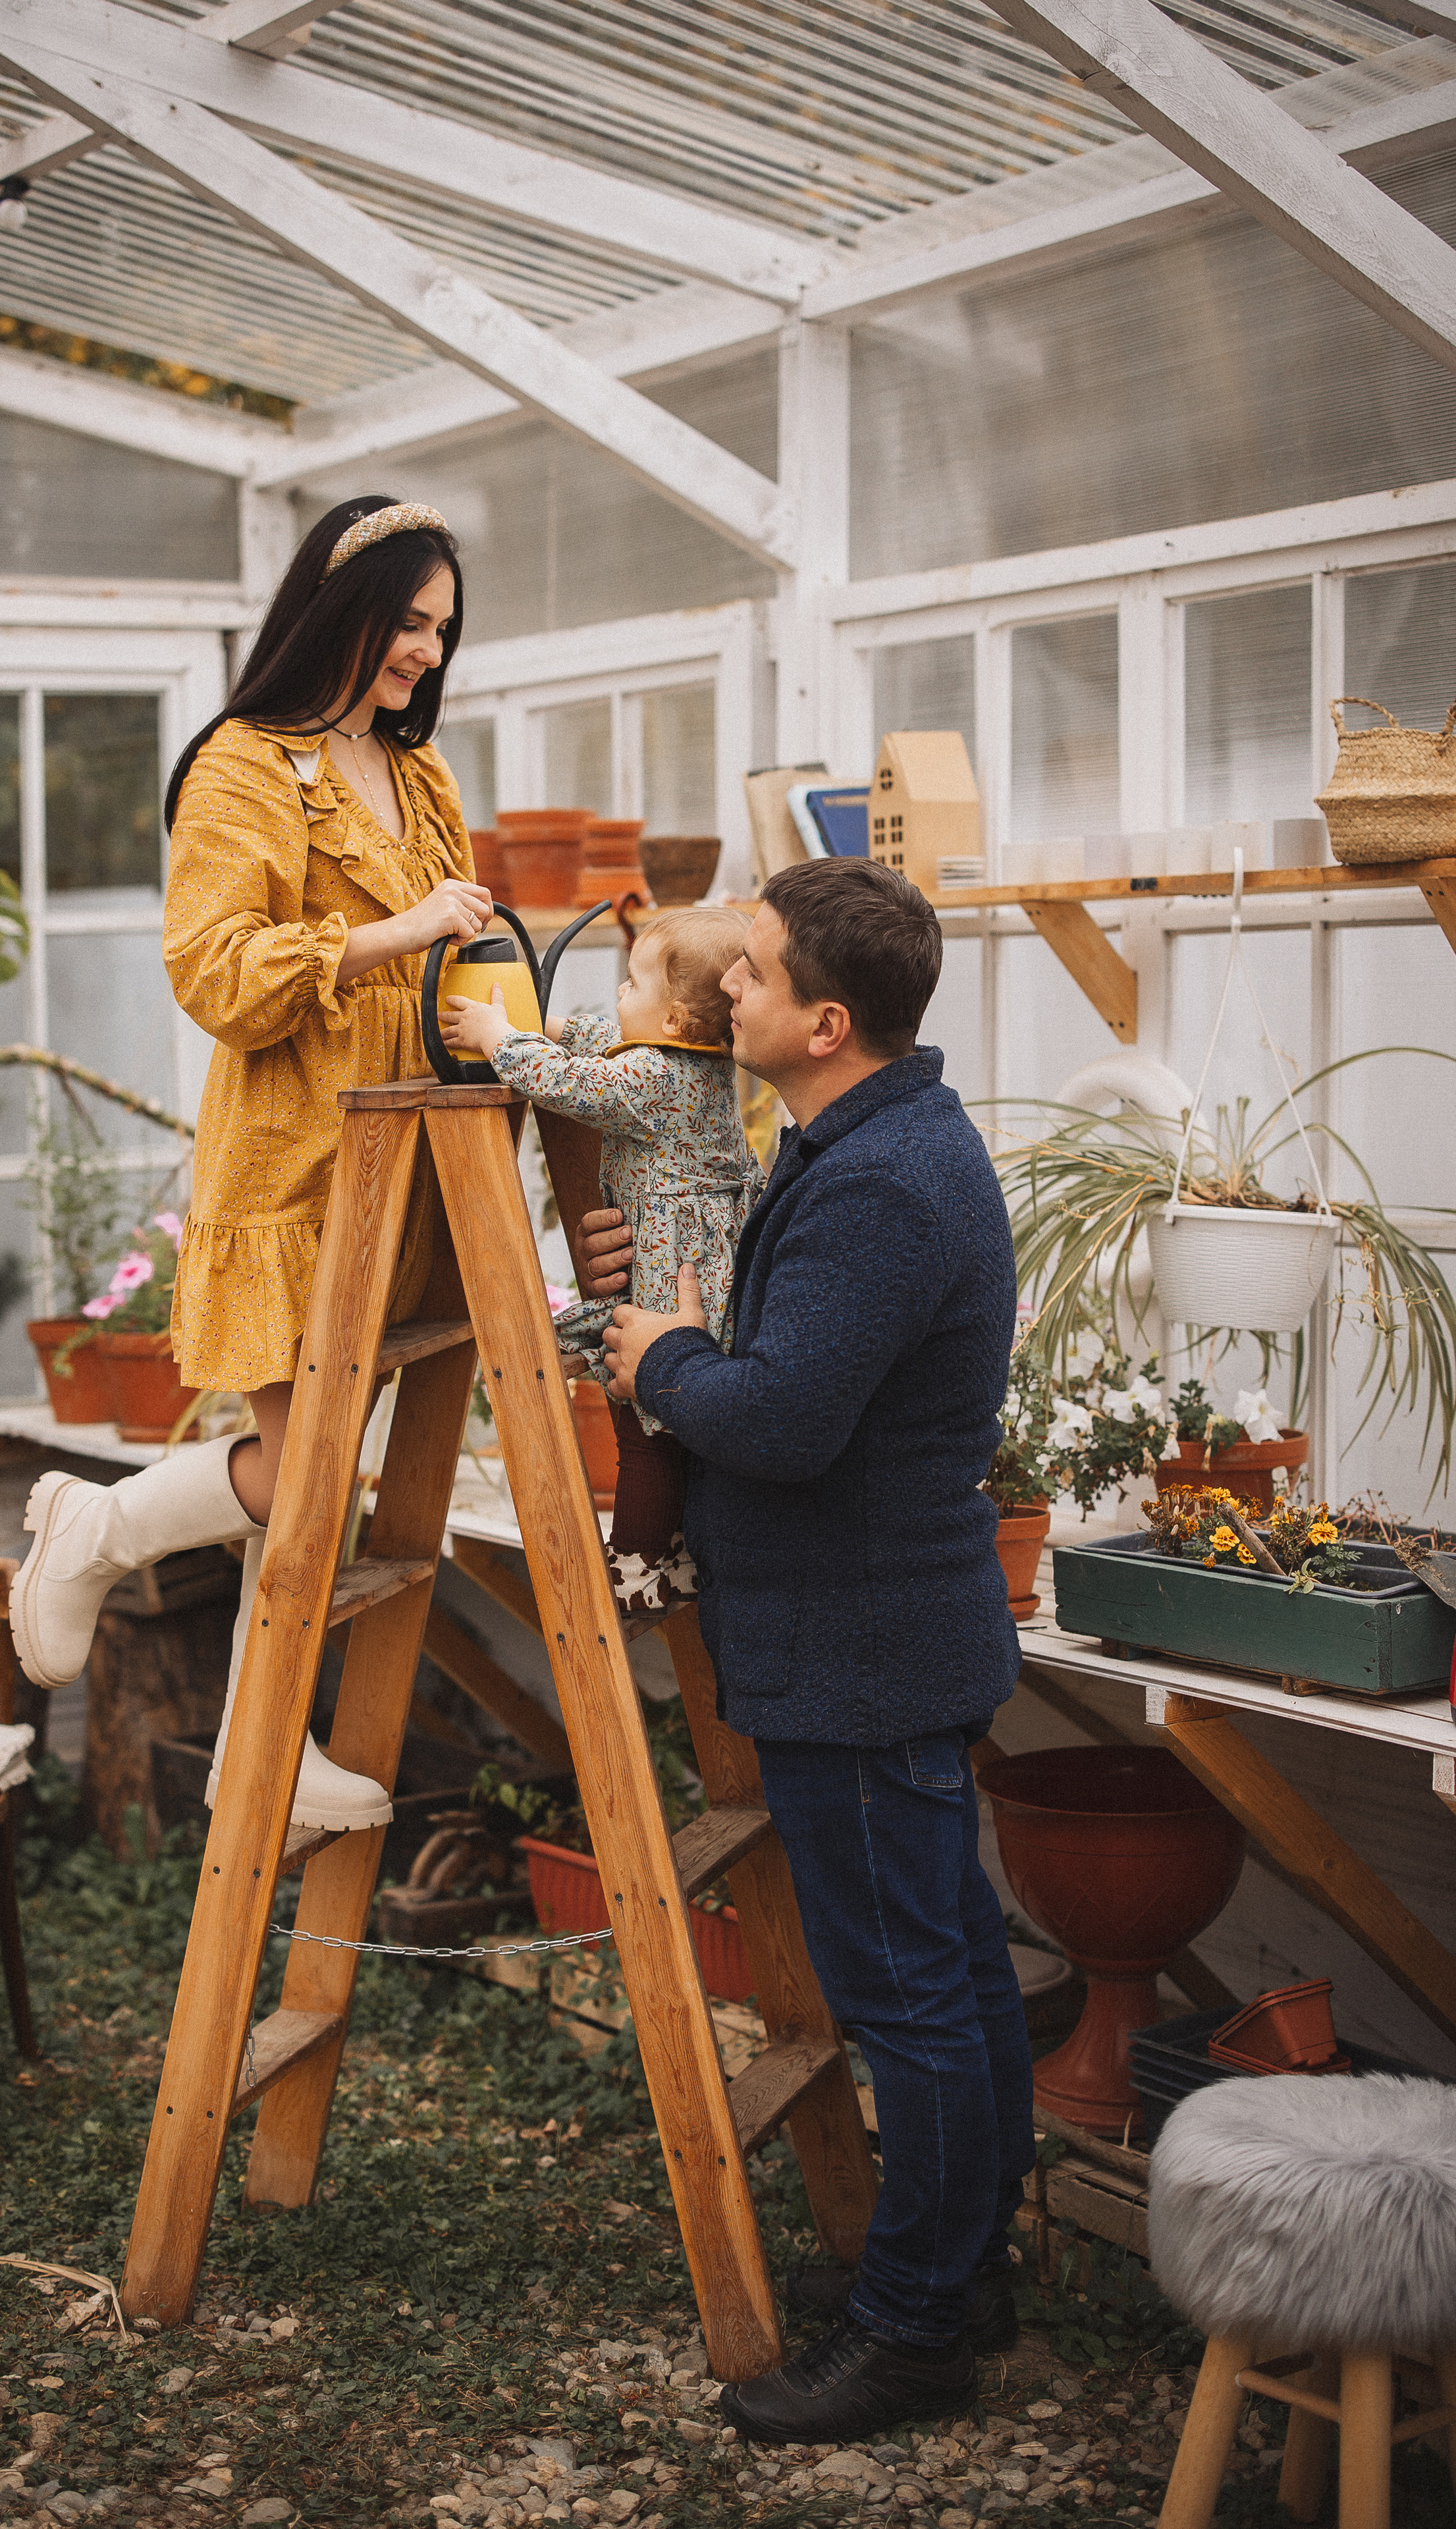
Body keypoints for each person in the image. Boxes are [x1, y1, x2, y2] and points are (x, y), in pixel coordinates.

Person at [593, 857, 1032, 2442]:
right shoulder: (864, 1139)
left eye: (756, 970)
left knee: (908, 1997)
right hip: (881, 1632)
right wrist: (657, 1303)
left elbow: (780, 1419)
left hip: (857, 1650)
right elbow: (797, 1350)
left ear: (826, 1023)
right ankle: (966, 2273)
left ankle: (912, 2328)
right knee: (952, 1969)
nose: (726, 986)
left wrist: (659, 1363)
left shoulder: (877, 1182)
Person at [9, 497, 491, 1832]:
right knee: (306, 1475)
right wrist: (394, 934)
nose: (426, 653)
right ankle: (97, 1534)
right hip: (294, 1170)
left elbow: (452, 944)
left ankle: (253, 1747)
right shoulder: (243, 765)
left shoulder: (420, 775)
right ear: (342, 611)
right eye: (408, 622)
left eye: (441, 630)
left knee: (320, 1482)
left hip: (406, 1169)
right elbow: (214, 972)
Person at [440, 906, 761, 1613]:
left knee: (643, 1422)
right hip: (682, 1263)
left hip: (670, 1275)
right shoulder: (688, 1063)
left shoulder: (655, 1078)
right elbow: (603, 1042)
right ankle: (674, 1556)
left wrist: (500, 1040)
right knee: (659, 1424)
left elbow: (574, 1085)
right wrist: (545, 1025)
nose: (620, 992)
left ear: (674, 1020)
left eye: (633, 983)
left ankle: (638, 1563)